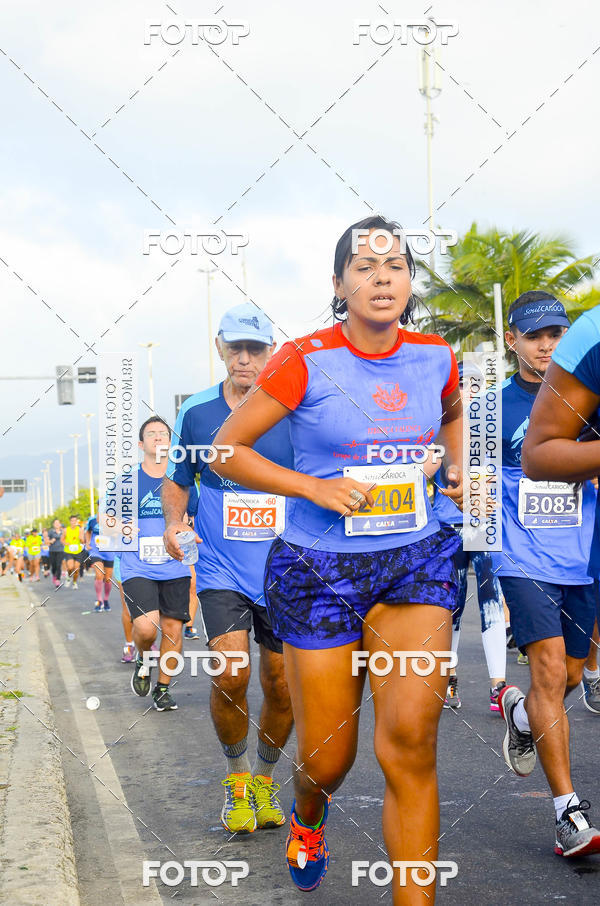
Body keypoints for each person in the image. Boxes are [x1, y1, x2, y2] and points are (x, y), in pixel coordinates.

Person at [210, 218, 463, 901]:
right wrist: (312, 486)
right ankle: (309, 814)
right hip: (318, 568)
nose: (382, 277)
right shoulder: (303, 358)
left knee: (410, 742)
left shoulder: (437, 355)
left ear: (410, 282)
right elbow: (227, 450)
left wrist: (458, 466)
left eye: (396, 265)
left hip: (416, 559)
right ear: (338, 285)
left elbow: (452, 411)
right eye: (363, 265)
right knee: (329, 757)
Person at [163, 303, 295, 835]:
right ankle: (237, 780)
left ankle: (265, 780)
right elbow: (178, 478)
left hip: (286, 569)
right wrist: (175, 523)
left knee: (282, 684)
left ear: (271, 352)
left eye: (256, 349)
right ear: (220, 347)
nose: (245, 359)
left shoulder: (293, 407)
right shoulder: (196, 412)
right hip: (221, 569)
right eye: (236, 348)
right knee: (231, 672)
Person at [491, 292, 600, 859]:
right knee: (552, 670)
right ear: (513, 341)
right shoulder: (492, 405)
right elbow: (470, 479)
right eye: (534, 336)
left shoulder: (588, 393)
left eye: (555, 334)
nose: (546, 346)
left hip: (582, 552)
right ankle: (568, 812)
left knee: (573, 678)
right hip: (520, 554)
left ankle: (521, 711)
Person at [432, 363, 506, 713]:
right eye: (462, 384)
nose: (469, 391)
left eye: (477, 385)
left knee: (492, 600)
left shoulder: (494, 430)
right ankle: (448, 676)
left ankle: (498, 685)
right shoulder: (438, 431)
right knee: (454, 605)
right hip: (447, 527)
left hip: (484, 525)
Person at [124, 416, 198, 712]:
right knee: (145, 629)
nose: (158, 437)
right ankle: (143, 656)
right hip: (138, 566)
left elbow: (193, 520)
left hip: (174, 565)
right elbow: (107, 520)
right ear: (142, 445)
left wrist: (192, 564)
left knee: (173, 630)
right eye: (151, 434)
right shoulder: (126, 482)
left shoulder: (183, 481)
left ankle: (163, 689)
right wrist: (122, 525)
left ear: (171, 442)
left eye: (163, 433)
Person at [85, 505, 114, 612]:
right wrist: (87, 543)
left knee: (108, 579)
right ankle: (99, 600)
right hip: (96, 551)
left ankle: (106, 599)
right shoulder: (92, 520)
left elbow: (117, 534)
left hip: (109, 552)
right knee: (99, 575)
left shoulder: (113, 518)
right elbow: (88, 531)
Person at [62, 515, 84, 588]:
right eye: (72, 521)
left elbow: (83, 541)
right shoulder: (66, 530)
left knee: (76, 569)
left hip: (78, 551)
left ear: (76, 521)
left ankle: (74, 582)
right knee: (70, 567)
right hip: (69, 551)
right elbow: (62, 539)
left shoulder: (80, 530)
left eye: (75, 521)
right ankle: (68, 577)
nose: (73, 522)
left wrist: (81, 539)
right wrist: (65, 543)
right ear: (70, 521)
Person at [47, 519, 65, 587]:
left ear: (60, 524)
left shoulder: (63, 532)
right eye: (55, 523)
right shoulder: (51, 532)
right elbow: (47, 541)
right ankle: (54, 575)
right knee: (53, 566)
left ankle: (58, 579)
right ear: (53, 525)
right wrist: (51, 541)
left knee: (58, 565)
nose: (57, 524)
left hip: (60, 550)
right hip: (52, 550)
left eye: (58, 523)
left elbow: (66, 539)